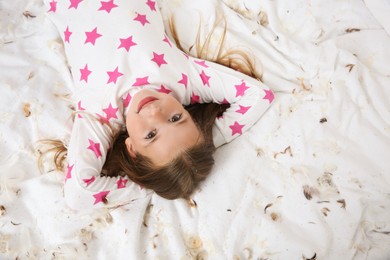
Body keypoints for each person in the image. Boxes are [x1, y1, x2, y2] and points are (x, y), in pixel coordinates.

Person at [41, 0, 274, 210]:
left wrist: (145, 186)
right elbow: (259, 96)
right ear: (191, 118)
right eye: (176, 119)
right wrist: (208, 139)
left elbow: (79, 193)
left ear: (132, 148)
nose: (155, 112)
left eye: (151, 135)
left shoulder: (99, 120)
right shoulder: (186, 80)